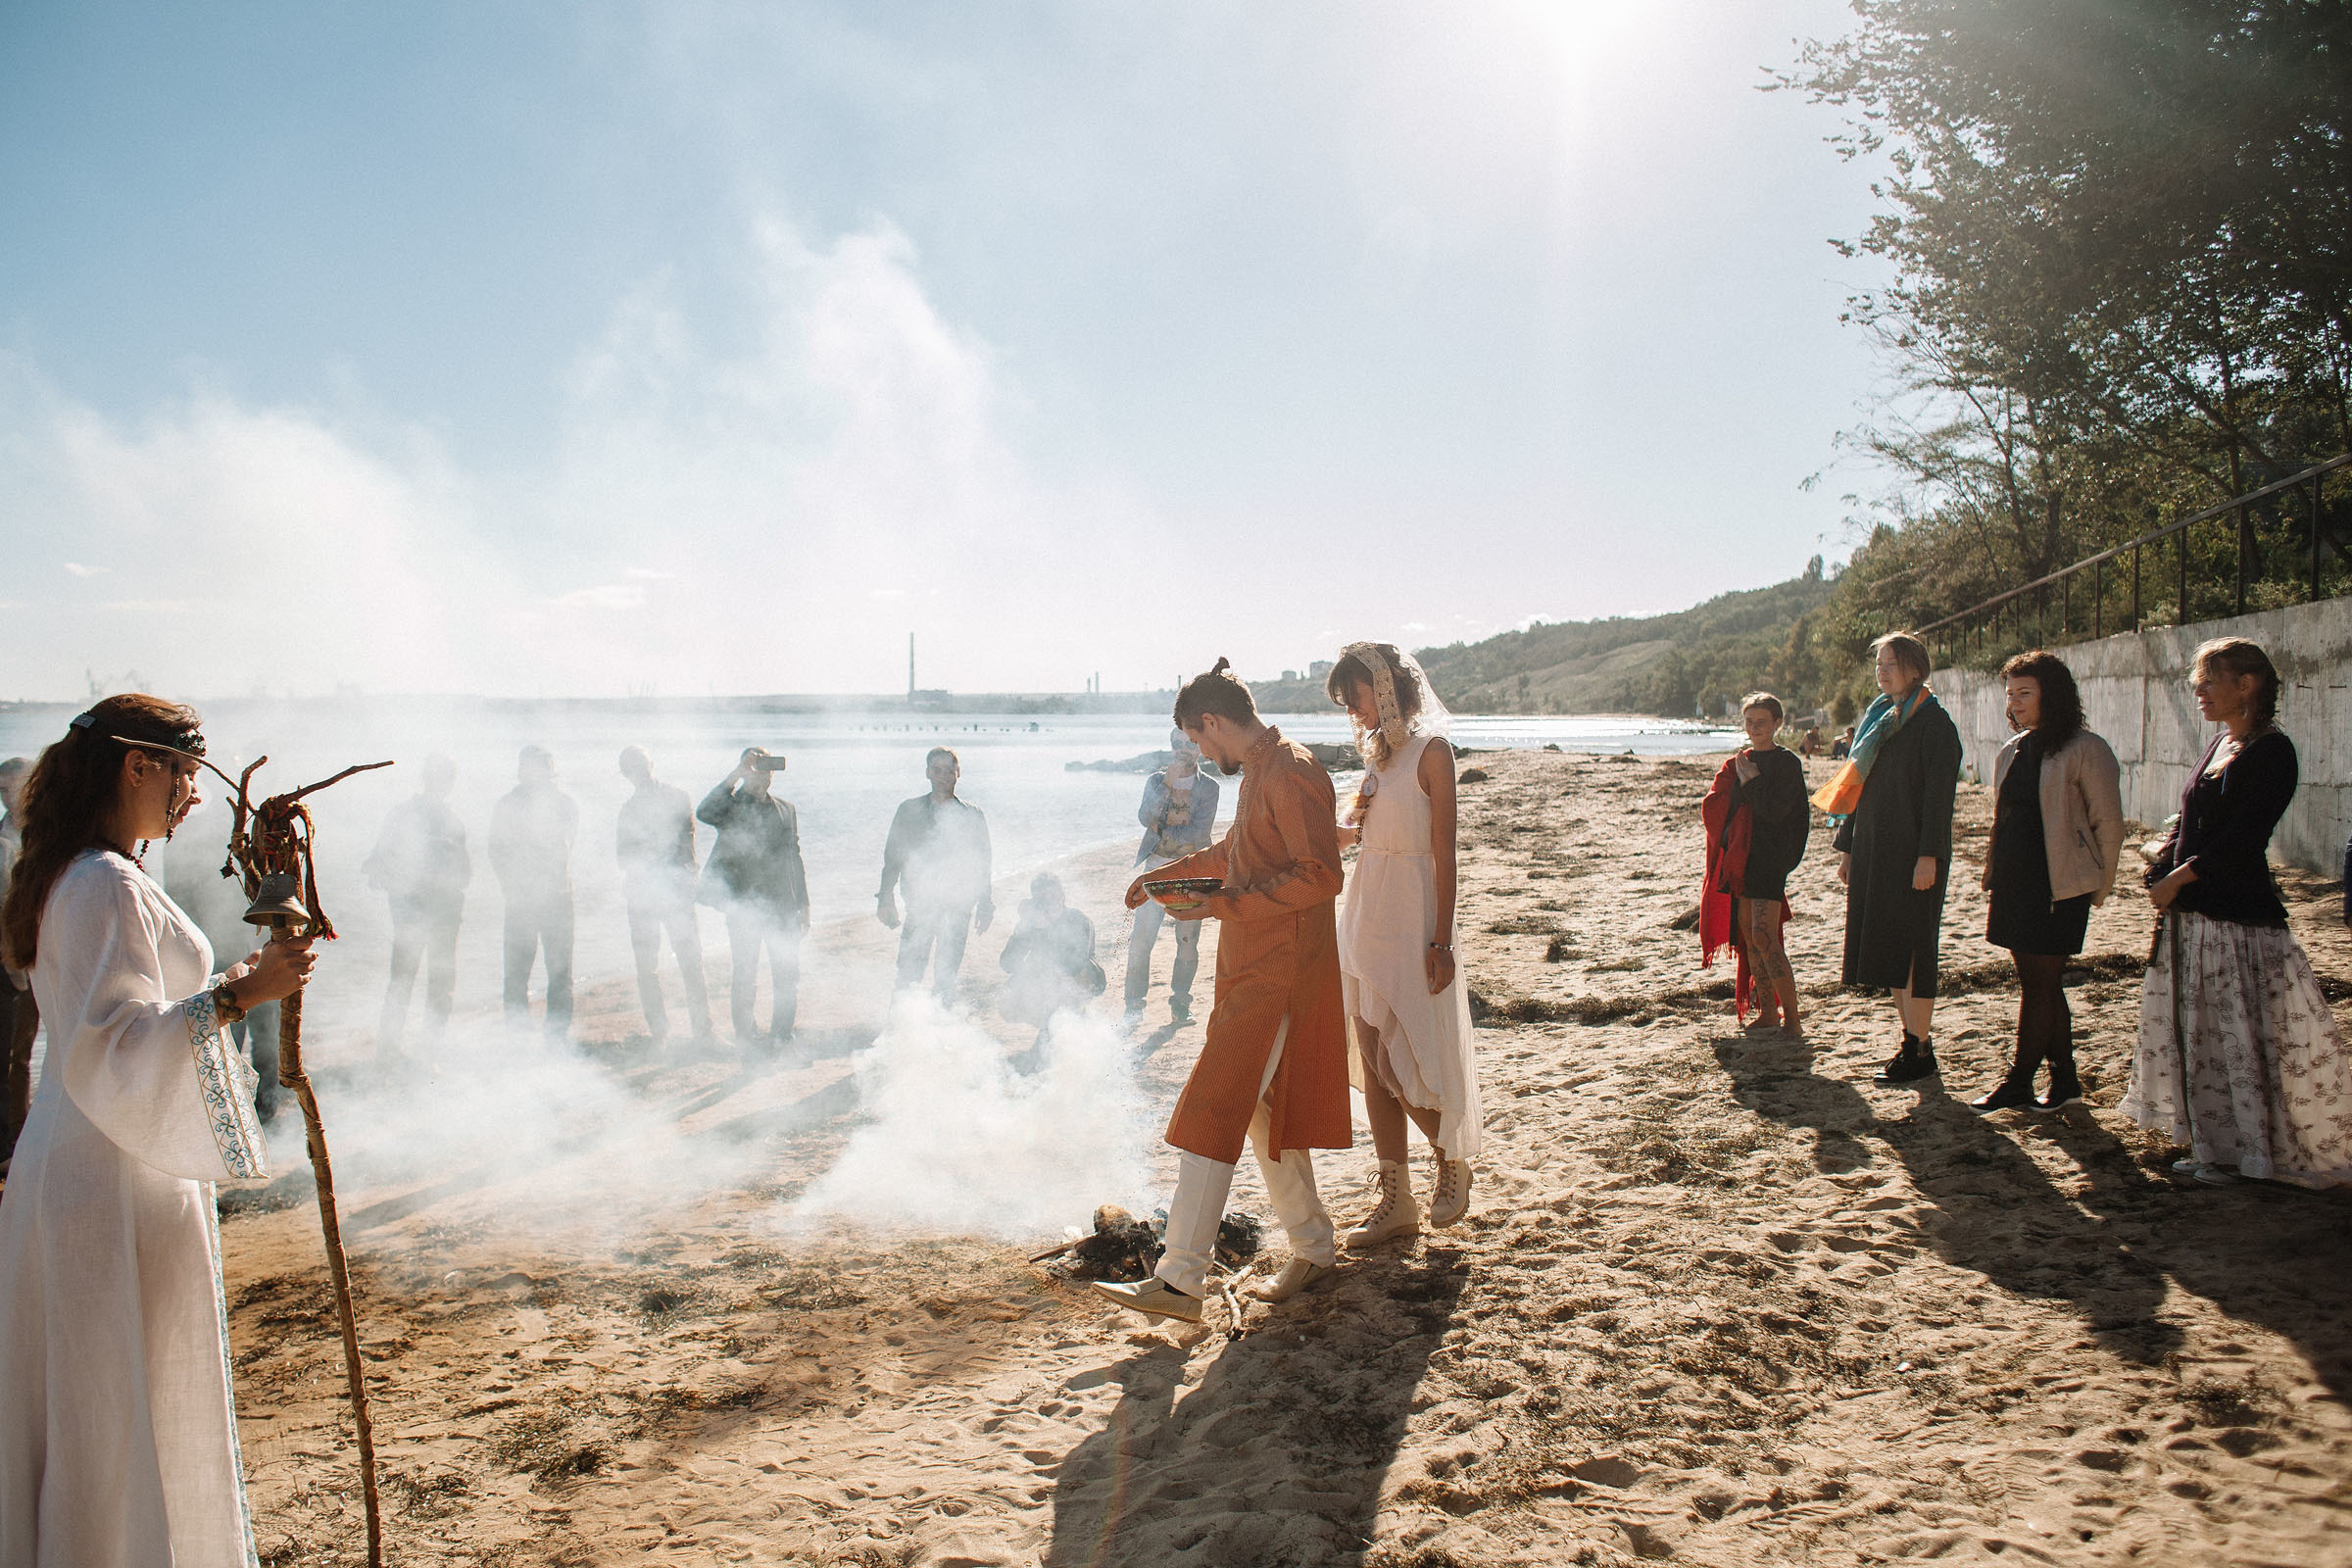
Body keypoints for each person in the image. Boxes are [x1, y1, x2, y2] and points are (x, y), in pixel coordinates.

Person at [0, 695, 319, 1566]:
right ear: (135, 765)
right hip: (107, 1173)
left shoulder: (89, 870)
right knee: (107, 1403)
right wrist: (240, 994)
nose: (188, 797)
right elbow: (115, 1047)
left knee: (102, 1400)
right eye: (182, 774)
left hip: (90, 1156)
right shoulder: (100, 882)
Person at [1096, 660, 1350, 1322]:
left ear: (1212, 721)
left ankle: (1180, 1281)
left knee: (1213, 1106)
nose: (1200, 754)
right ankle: (1315, 1249)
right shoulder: (1264, 770)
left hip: (1281, 974)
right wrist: (1164, 877)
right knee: (1264, 1114)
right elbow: (1235, 853)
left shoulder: (1292, 771)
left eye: (1198, 741)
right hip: (1253, 968)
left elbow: (1322, 877)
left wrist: (1221, 908)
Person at [2121, 637, 2352, 1188]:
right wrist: (2160, 858)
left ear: (2245, 685)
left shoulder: (2272, 752)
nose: (2199, 692)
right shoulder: (2222, 742)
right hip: (2193, 914)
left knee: (2244, 1036)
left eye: (2209, 681)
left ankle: (2252, 1151)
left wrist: (2177, 878)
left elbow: (2242, 839)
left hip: (2237, 920)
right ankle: (2217, 1146)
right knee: (2203, 1035)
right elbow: (2189, 815)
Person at [1325, 643, 1485, 1250]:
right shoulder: (1376, 759)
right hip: (1366, 907)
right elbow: (1353, 835)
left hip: (1413, 908)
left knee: (1403, 1052)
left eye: (1358, 697)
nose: (1354, 711)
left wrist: (1441, 937)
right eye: (1346, 702)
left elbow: (1445, 851)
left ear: (1388, 690)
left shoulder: (1432, 753)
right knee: (1369, 1053)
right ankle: (1396, 1197)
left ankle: (1450, 1155)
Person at [1969, 652, 2124, 1112]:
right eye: (2010, 694)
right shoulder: (2012, 749)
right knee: (2040, 982)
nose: (2015, 703)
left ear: (2050, 694)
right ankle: (2065, 1081)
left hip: (2061, 884)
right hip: (2015, 881)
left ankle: (2019, 1080)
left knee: (2040, 983)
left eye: (2025, 692)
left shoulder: (2086, 748)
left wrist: (2099, 885)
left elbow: (2108, 824)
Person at [1819, 631, 1963, 1086]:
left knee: (1914, 953)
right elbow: (1860, 790)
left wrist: (1929, 857)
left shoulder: (1935, 725)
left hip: (1914, 854)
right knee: (1887, 950)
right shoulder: (1881, 716)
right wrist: (1849, 849)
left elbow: (1939, 802)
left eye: (1891, 663)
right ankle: (1910, 1041)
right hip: (1876, 850)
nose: (1882, 670)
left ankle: (1920, 1050)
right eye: (1878, 663)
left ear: (1916, 669)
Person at [164, 794, 280, 1120]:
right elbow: (175, 898)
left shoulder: (263, 838)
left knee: (267, 1027)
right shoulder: (189, 837)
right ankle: (224, 1109)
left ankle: (266, 1101)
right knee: (224, 1031)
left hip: (258, 946)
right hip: (215, 950)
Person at [1700, 692, 1809, 1037]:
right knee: (1749, 938)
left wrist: (1752, 783)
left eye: (1762, 722)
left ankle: (1792, 1018)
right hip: (1742, 861)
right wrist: (1740, 784)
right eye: (1749, 722)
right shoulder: (1739, 762)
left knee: (1765, 936)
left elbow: (1778, 812)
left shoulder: (1787, 763)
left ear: (1778, 723)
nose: (1754, 728)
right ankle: (1768, 1012)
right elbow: (1718, 806)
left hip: (1771, 861)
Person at [700, 749, 810, 1049]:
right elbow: (703, 813)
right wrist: (735, 774)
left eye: (768, 768)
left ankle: (782, 1036)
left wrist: (804, 904)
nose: (763, 774)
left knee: (787, 972)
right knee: (745, 972)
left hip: (782, 904)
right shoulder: (731, 807)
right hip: (744, 905)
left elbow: (794, 857)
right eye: (756, 768)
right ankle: (747, 1038)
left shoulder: (786, 809)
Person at [362, 753, 469, 1055]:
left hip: (444, 911)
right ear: (427, 779)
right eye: (437, 777)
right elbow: (375, 863)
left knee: (438, 981)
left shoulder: (452, 819)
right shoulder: (403, 815)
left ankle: (427, 1050)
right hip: (411, 910)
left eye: (446, 778)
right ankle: (389, 1049)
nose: (442, 784)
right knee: (404, 978)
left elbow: (465, 873)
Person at [877, 748, 994, 1005]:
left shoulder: (972, 815)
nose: (943, 777)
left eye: (949, 771)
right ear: (927, 773)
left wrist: (986, 905)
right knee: (909, 972)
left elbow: (982, 863)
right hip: (920, 906)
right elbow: (893, 857)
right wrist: (885, 898)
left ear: (958, 773)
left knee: (946, 975)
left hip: (959, 906)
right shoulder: (909, 811)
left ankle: (940, 1030)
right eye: (937, 770)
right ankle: (901, 1027)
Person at [616, 747, 714, 1050]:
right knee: (647, 966)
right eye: (632, 768)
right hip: (642, 897)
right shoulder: (628, 810)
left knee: (691, 960)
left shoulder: (677, 797)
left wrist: (687, 880)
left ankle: (704, 1032)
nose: (640, 773)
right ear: (626, 775)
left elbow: (687, 843)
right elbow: (623, 857)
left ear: (652, 765)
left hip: (675, 892)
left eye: (643, 765)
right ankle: (660, 1034)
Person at [1126, 728, 1220, 1025]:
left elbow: (1199, 834)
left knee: (1187, 943)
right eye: (1177, 744)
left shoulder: (1210, 787)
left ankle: (1181, 1003)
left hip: (1191, 874)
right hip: (1152, 873)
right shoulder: (1156, 781)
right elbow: (1144, 817)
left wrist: (1162, 830)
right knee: (1141, 941)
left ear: (1200, 747)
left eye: (1191, 743)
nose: (1184, 749)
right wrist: (1167, 782)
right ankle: (1133, 1005)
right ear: (1170, 747)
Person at [490, 745, 578, 1040]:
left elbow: (567, 844)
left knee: (560, 970)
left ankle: (557, 1036)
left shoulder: (565, 804)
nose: (542, 776)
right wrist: (511, 885)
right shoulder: (507, 805)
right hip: (521, 899)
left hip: (558, 897)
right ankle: (518, 1036)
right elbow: (496, 850)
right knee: (516, 972)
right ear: (523, 770)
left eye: (546, 770)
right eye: (534, 768)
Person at [999, 871, 1102, 1054]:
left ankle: (1058, 1031)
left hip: (1079, 981)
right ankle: (1057, 1026)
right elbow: (1007, 964)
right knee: (1008, 1004)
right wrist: (1021, 931)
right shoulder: (1032, 924)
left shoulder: (1078, 919)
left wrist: (1049, 927)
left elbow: (1076, 964)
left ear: (1062, 896)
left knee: (1057, 982)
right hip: (1044, 983)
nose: (1047, 904)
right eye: (1041, 899)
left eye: (1051, 897)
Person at [0, 758, 34, 1160]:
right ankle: (12, 1138)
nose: (8, 797)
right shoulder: (3, 836)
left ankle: (24, 1139)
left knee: (36, 1050)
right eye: (2, 790)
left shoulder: (50, 835)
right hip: (7, 960)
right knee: (10, 1054)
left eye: (14, 787)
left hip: (44, 956)